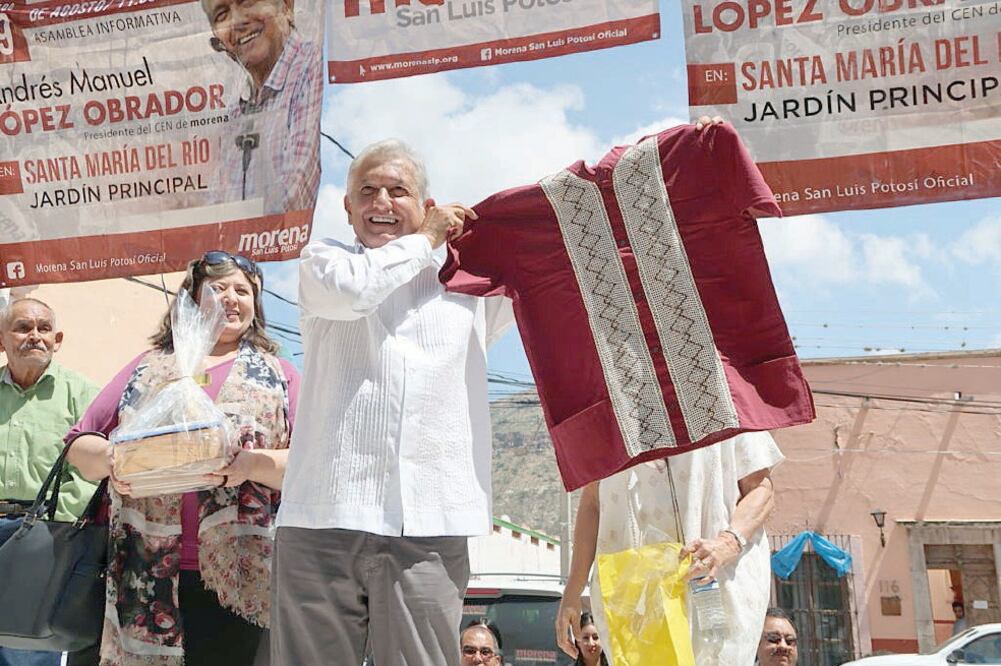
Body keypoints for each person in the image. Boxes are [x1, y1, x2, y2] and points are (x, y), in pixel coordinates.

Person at [271, 139, 513, 665]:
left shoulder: (469, 285)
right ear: (348, 207)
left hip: (429, 520)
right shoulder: (324, 264)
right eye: (368, 190)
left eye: (398, 190)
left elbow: (545, 282)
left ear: (426, 205)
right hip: (323, 515)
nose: (382, 201)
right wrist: (427, 239)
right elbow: (357, 292)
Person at [66, 252, 300, 666]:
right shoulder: (148, 368)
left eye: (243, 291)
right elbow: (79, 445)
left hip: (241, 580)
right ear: (190, 300)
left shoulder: (279, 375)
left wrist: (249, 465)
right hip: (142, 570)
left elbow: (308, 464)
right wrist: (117, 460)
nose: (231, 299)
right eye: (218, 288)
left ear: (256, 306)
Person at [556, 431, 783, 665]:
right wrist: (573, 589)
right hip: (633, 600)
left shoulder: (724, 400)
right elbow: (593, 502)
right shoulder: (606, 414)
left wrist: (728, 542)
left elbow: (760, 490)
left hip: (715, 589)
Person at [0, 297, 99, 666]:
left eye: (44, 329)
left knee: (25, 650)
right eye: (23, 327)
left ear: (58, 340)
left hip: (43, 536)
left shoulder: (84, 395)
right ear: (2, 340)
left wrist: (54, 523)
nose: (35, 337)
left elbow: (93, 470)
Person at [202, 0, 322, 214]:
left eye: (248, 2)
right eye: (221, 15)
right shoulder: (234, 114)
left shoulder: (312, 64)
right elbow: (214, 208)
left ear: (286, 7)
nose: (236, 22)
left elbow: (295, 195)